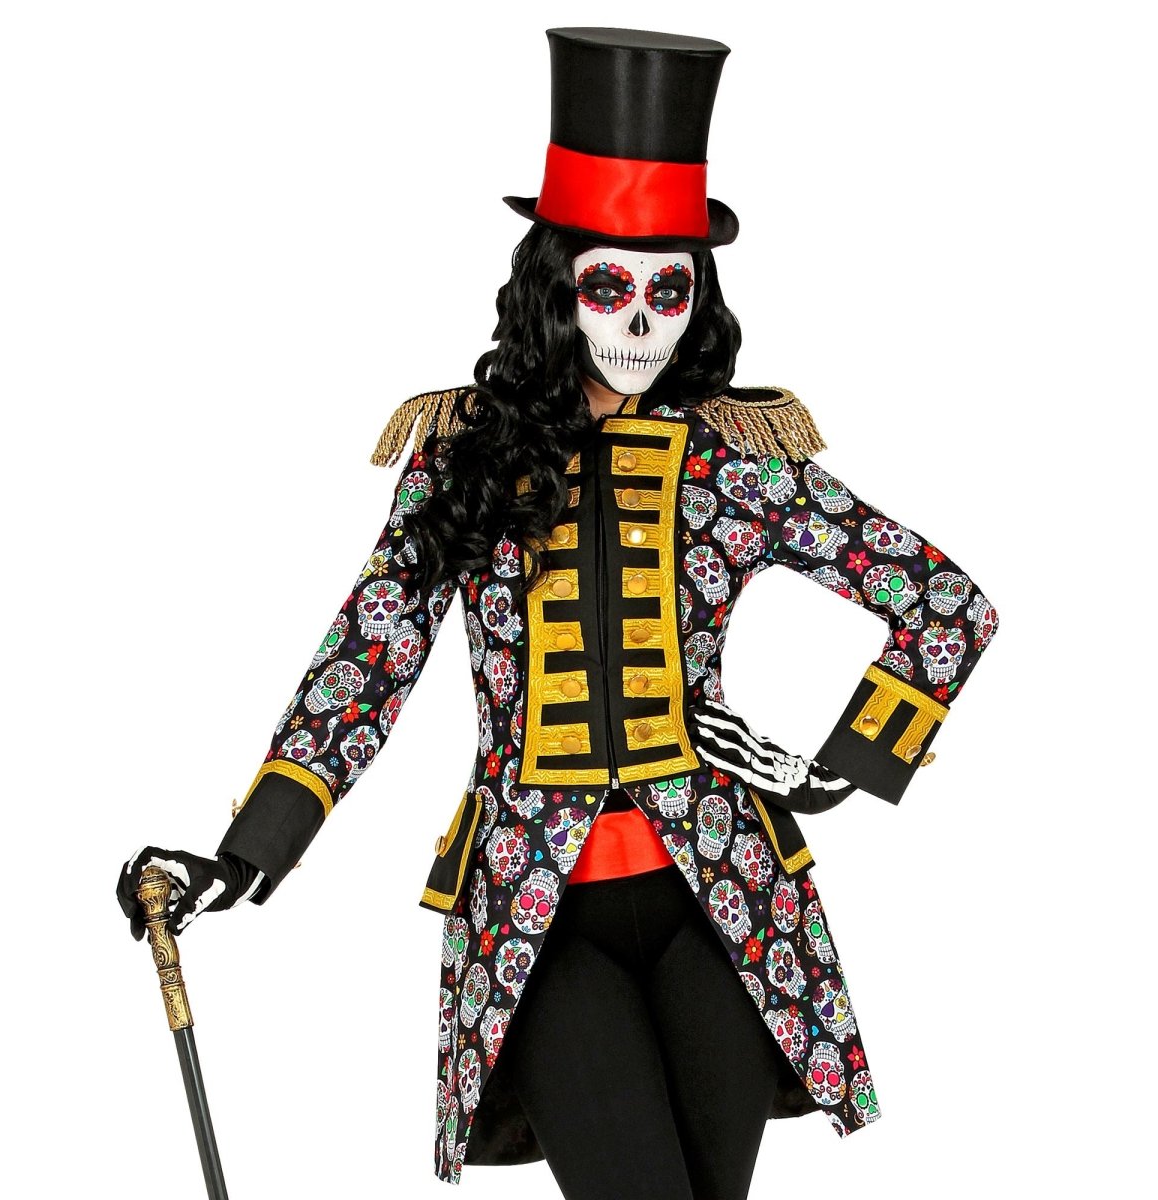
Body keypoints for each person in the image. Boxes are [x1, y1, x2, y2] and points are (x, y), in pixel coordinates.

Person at [118, 28, 1000, 1197]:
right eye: (609, 287)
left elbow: (945, 604)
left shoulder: (737, 461)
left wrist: (836, 769)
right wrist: (242, 857)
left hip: (726, 902)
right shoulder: (463, 458)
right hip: (537, 916)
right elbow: (370, 657)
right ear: (555, 286)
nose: (642, 324)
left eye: (669, 290)